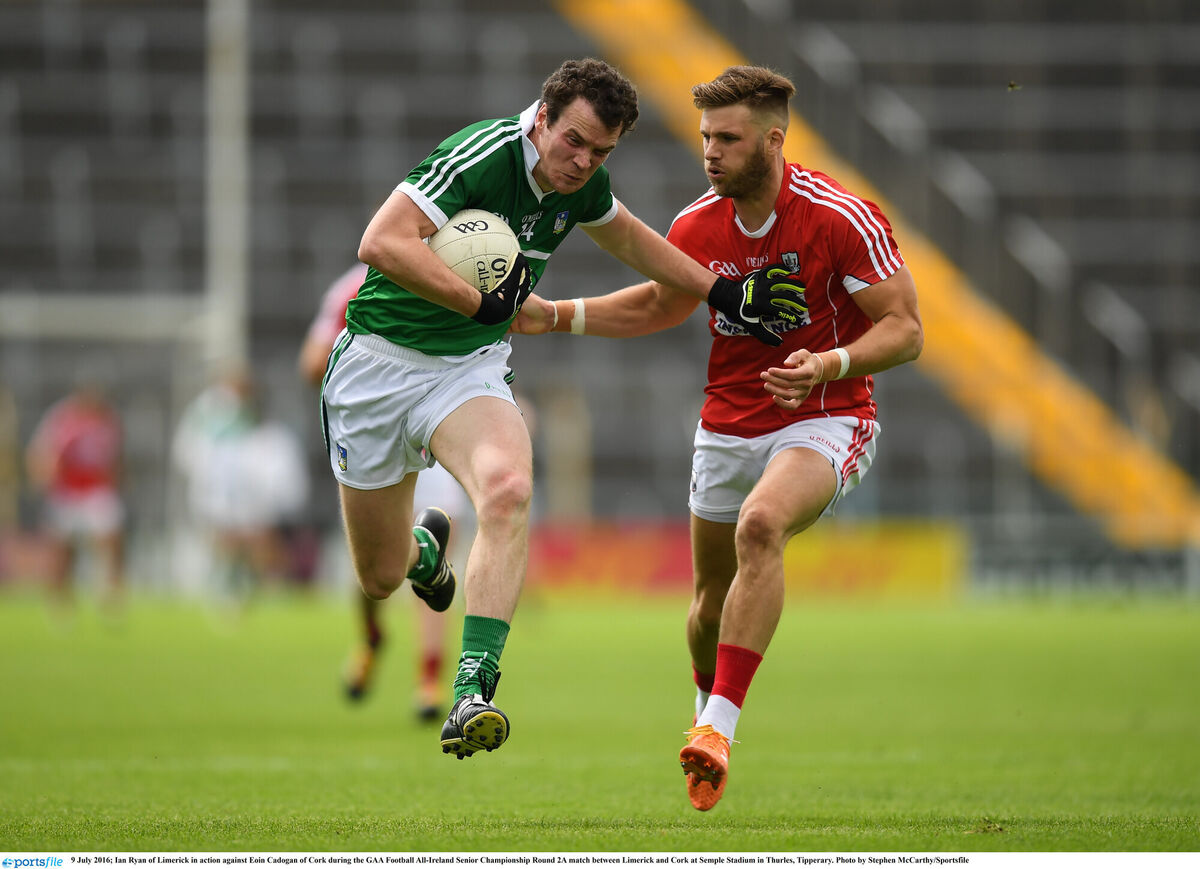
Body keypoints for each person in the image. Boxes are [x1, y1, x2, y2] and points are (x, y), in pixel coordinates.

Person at [320, 57, 805, 761]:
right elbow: (381, 242)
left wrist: (723, 294)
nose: (581, 161)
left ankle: (473, 689)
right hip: (375, 368)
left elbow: (634, 240)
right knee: (382, 575)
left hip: (468, 368)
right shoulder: (483, 155)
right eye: (573, 140)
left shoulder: (584, 186)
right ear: (541, 118)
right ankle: (426, 552)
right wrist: (481, 300)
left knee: (509, 489)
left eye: (600, 151)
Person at [513, 65, 923, 810]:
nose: (711, 151)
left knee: (762, 526)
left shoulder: (839, 216)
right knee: (706, 603)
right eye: (706, 137)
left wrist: (828, 362)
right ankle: (706, 719)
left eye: (728, 139)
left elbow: (905, 329)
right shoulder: (698, 224)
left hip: (827, 416)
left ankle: (719, 729)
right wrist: (556, 313)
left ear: (772, 141)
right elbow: (657, 305)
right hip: (727, 424)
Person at [299, 261, 475, 722]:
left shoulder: (457, 271)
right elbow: (312, 363)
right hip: (374, 426)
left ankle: (429, 679)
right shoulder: (353, 290)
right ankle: (372, 637)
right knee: (376, 566)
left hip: (434, 424)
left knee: (438, 548)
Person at [172, 367, 309, 604]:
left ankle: (271, 587)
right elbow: (188, 451)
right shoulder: (209, 411)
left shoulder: (256, 427)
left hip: (247, 493)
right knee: (227, 541)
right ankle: (228, 588)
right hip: (218, 492)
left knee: (260, 539)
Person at [25, 377, 126, 610]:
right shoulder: (62, 417)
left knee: (111, 537)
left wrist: (118, 477)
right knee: (62, 547)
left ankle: (110, 591)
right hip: (67, 489)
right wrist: (41, 477)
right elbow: (42, 453)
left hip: (97, 487)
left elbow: (116, 456)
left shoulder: (108, 419)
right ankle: (60, 598)